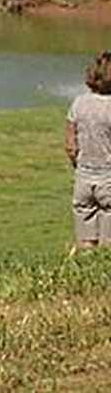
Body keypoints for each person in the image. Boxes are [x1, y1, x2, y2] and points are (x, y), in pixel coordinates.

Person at [67, 51, 111, 250]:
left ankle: (85, 270)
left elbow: (70, 145)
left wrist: (79, 165)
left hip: (83, 176)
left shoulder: (78, 103)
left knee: (85, 237)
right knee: (108, 242)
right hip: (108, 176)